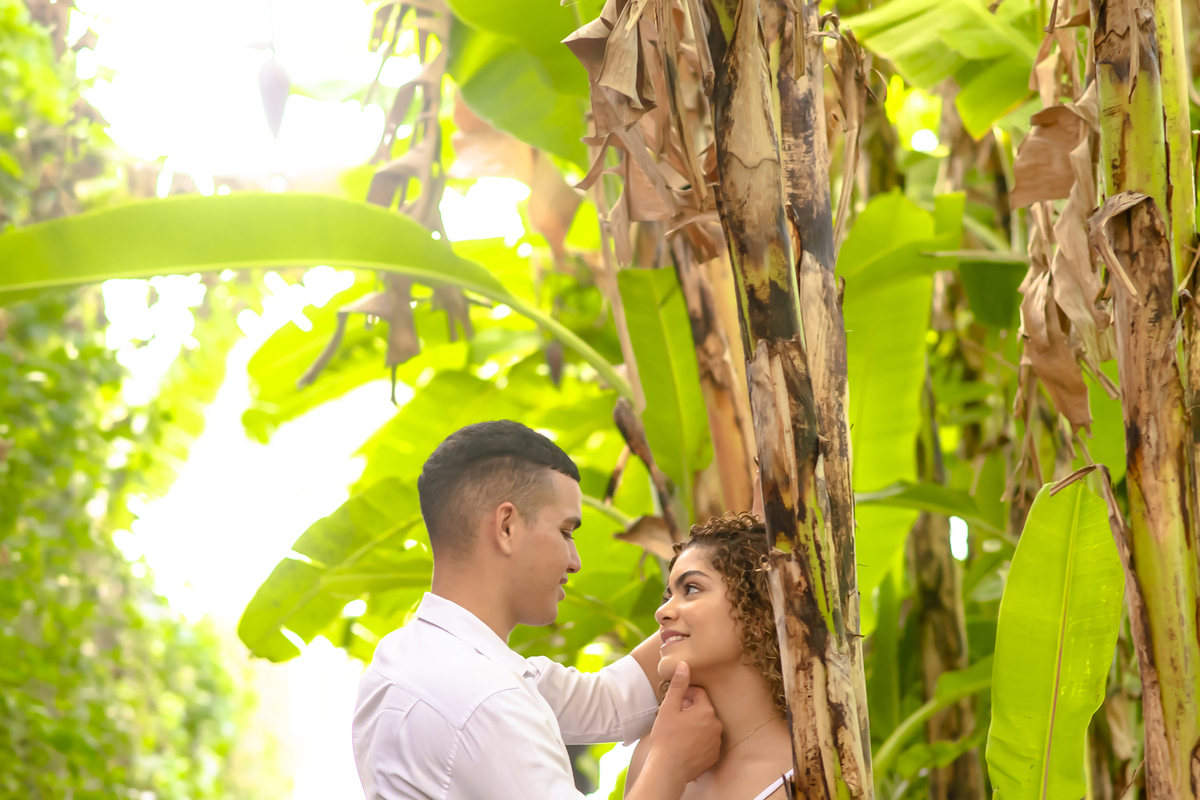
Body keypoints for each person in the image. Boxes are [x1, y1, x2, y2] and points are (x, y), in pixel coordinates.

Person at [352, 420, 722, 799]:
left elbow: (609, 700)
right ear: (507, 527)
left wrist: (729, 578)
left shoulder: (406, 656)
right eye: (565, 531)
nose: (575, 561)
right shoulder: (484, 700)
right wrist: (670, 764)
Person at [624, 513, 794, 800]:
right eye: (668, 597)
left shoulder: (813, 770)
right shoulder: (653, 755)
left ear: (756, 612)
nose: (661, 612)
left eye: (691, 589)